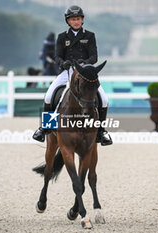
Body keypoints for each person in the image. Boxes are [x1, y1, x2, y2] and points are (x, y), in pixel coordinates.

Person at [32, 5, 112, 146]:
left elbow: (94, 57)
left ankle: (101, 131)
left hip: (86, 73)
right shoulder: (62, 37)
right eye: (73, 19)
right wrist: (63, 63)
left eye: (78, 19)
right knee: (49, 95)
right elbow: (57, 56)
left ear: (82, 20)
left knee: (104, 99)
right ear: (68, 21)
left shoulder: (90, 36)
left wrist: (84, 63)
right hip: (67, 71)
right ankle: (44, 128)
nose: (76, 21)